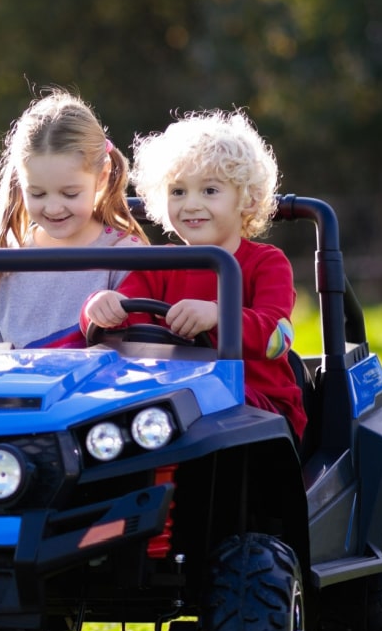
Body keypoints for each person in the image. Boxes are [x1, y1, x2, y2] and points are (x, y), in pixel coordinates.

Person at [81, 109, 307, 439]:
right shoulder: (158, 265)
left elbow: (277, 339)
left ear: (248, 199)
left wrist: (219, 316)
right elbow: (127, 318)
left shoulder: (266, 263)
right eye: (178, 191)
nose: (190, 205)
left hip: (258, 407)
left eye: (210, 191)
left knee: (197, 409)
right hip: (170, 400)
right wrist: (100, 308)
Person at [0, 90, 146, 348]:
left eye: (70, 193)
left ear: (102, 176)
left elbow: (143, 352)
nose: (53, 208)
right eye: (37, 193)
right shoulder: (3, 257)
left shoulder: (126, 255)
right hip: (15, 387)